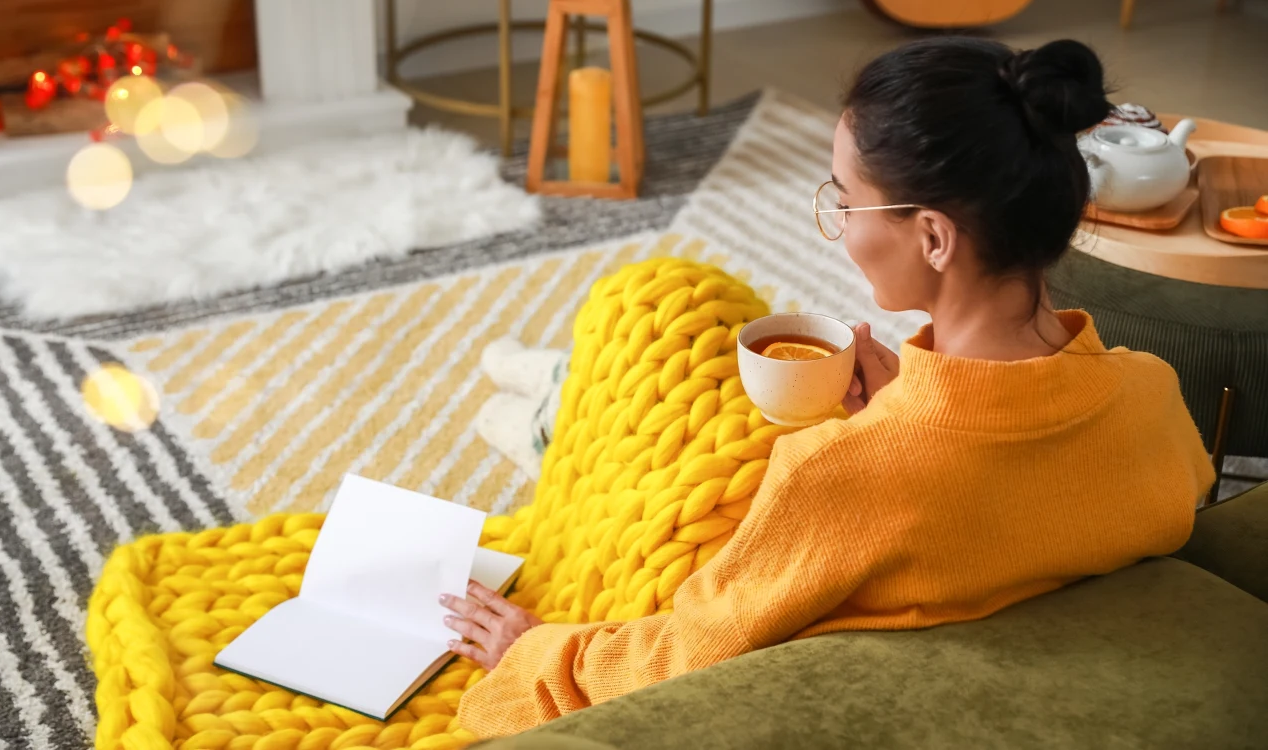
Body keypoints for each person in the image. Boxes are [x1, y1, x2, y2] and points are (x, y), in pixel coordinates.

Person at [444, 38, 1216, 737]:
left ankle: (555, 409)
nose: (840, 221)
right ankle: (555, 395)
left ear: (935, 237)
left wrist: (532, 652)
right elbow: (1033, 483)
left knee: (655, 309)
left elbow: (683, 652)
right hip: (907, 446)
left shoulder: (836, 473)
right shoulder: (1151, 397)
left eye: (846, 199)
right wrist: (903, 403)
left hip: (780, 521)